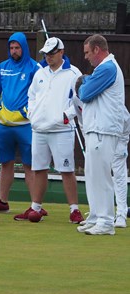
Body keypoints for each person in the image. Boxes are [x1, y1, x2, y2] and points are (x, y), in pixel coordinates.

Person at [0, 32, 41, 218]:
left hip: (26, 125)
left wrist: (27, 111)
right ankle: (2, 201)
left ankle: (36, 205)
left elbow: (41, 92)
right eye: (11, 48)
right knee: (5, 163)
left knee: (29, 165)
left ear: (24, 47)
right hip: (3, 125)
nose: (14, 51)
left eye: (17, 48)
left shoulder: (35, 68)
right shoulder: (1, 68)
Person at [25, 37, 84, 224]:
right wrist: (32, 114)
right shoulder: (39, 73)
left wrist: (66, 116)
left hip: (62, 130)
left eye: (52, 53)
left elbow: (80, 100)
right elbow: (31, 96)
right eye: (46, 54)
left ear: (61, 52)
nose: (48, 57)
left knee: (66, 170)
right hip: (39, 129)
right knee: (39, 169)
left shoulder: (74, 73)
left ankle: (74, 209)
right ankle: (36, 207)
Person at [76, 34, 126, 235]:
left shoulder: (107, 68)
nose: (86, 57)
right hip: (96, 129)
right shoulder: (102, 69)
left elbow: (85, 93)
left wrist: (85, 82)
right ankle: (96, 216)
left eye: (88, 52)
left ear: (97, 49)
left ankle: (106, 221)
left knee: (102, 175)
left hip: (104, 129)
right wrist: (88, 81)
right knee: (92, 174)